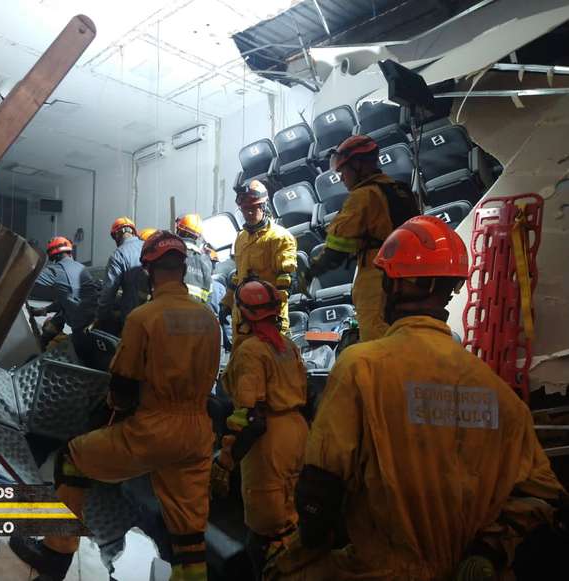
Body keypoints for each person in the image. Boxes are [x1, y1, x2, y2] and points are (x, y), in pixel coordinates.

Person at [266, 216, 566, 581]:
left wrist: (297, 555)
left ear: (400, 284)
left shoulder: (361, 367)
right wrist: (486, 551)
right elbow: (542, 493)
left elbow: (320, 488)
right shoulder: (498, 393)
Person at [11, 231, 221, 581]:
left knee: (72, 458)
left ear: (149, 271)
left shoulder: (144, 317)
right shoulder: (209, 321)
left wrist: (109, 415)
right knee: (188, 532)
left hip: (154, 427)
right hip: (197, 433)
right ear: (183, 269)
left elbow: (123, 385)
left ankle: (55, 555)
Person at [213, 280, 308, 578]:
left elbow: (250, 418)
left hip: (269, 444)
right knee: (293, 519)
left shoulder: (251, 351)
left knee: (267, 531)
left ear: (243, 314)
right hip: (297, 432)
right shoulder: (288, 346)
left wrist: (225, 461)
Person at [306, 134, 419, 342]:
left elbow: (337, 248)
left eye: (344, 171)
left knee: (379, 348)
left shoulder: (363, 196)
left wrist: (311, 271)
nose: (341, 178)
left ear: (358, 165)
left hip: (378, 284)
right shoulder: (400, 191)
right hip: (408, 283)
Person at [220, 180, 297, 351]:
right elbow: (238, 275)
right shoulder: (241, 238)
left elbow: (286, 279)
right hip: (242, 320)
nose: (248, 213)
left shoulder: (280, 237)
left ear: (264, 207)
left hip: (268, 320)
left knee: (270, 367)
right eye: (244, 209)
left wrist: (271, 316)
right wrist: (226, 303)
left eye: (253, 208)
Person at [29, 236, 101, 364]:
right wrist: (45, 310)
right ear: (69, 252)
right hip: (95, 323)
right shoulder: (81, 267)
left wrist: (29, 256)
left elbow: (29, 277)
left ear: (53, 257)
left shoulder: (57, 270)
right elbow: (69, 296)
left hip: (82, 331)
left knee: (81, 362)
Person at [96, 216, 144, 333]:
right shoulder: (148, 246)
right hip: (154, 315)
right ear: (133, 231)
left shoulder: (119, 255)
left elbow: (108, 291)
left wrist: (99, 316)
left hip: (133, 317)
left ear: (117, 235)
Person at [175, 213, 213, 304]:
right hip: (195, 312)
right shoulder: (205, 261)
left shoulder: (172, 254)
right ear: (197, 237)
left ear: (179, 230)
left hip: (170, 309)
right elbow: (209, 294)